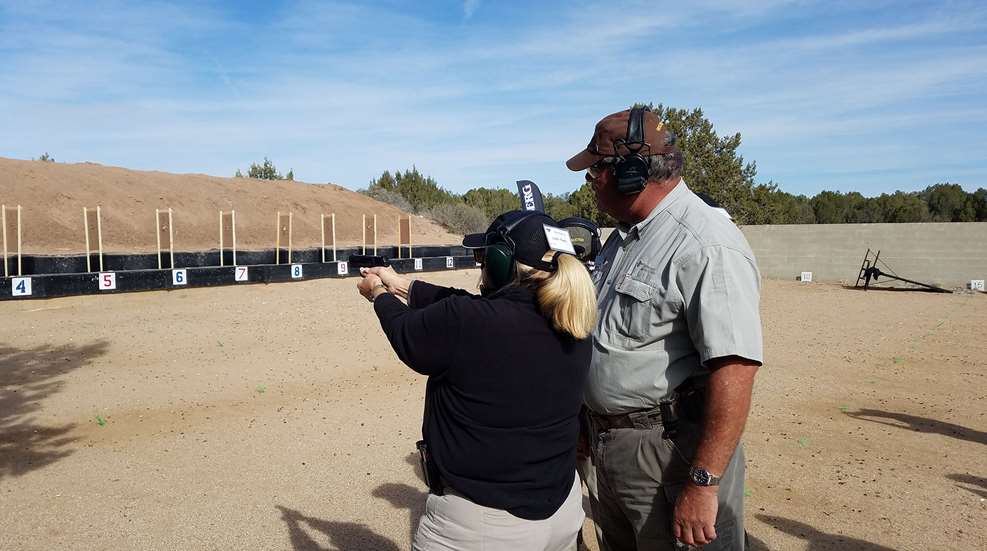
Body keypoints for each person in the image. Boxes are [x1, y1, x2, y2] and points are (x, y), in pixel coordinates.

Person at [565, 108, 763, 550]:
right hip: (610, 447)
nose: (589, 180)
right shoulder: (624, 239)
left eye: (596, 168)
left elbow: (735, 368)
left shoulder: (706, 243)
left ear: (632, 173)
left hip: (670, 455)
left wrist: (704, 483)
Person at [356, 210, 598, 551]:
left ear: (502, 262)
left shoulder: (472, 321)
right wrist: (402, 284)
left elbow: (406, 333)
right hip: (560, 510)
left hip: (483, 527)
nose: (481, 265)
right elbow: (470, 305)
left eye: (485, 256)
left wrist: (378, 293)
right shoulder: (573, 319)